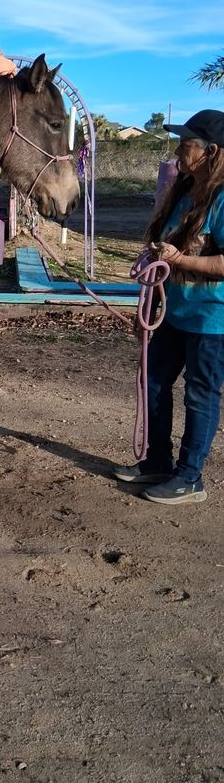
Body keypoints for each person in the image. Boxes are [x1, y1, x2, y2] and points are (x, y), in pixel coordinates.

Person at [113, 109, 224, 504]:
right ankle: (157, 463)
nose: (178, 150)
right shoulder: (185, 190)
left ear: (210, 151)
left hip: (211, 318)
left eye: (186, 143)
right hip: (171, 310)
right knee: (154, 382)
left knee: (200, 394)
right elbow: (167, 244)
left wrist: (179, 260)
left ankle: (190, 478)